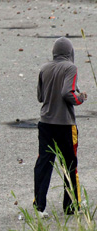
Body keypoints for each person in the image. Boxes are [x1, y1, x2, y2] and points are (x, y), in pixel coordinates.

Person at [34, 37, 87, 218]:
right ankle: (71, 205)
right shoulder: (71, 68)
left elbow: (40, 97)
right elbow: (67, 92)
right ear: (70, 53)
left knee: (44, 163)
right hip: (65, 125)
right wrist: (80, 98)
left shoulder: (44, 68)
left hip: (45, 123)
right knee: (70, 165)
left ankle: (39, 205)